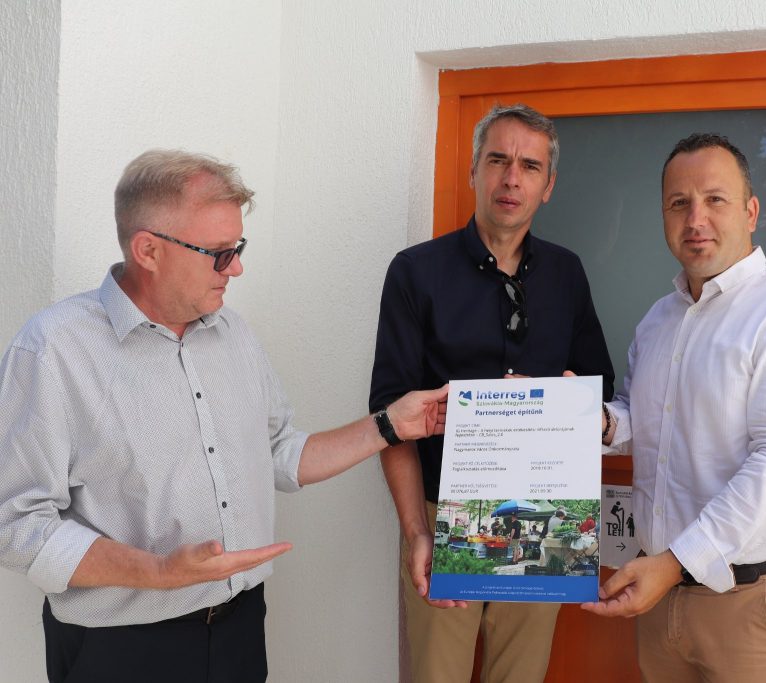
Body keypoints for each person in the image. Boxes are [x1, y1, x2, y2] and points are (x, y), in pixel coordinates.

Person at [0, 149, 448, 683]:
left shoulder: (232, 334)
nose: (236, 268)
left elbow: (278, 452)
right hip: (120, 647)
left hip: (240, 629)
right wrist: (158, 572)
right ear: (148, 250)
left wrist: (389, 424)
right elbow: (14, 523)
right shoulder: (52, 350)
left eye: (238, 248)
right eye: (219, 253)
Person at [582, 133, 766, 682]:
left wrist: (674, 563)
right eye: (678, 203)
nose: (695, 219)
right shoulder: (658, 320)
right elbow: (643, 419)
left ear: (750, 212)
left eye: (715, 199)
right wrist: (601, 423)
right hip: (662, 600)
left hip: (756, 605)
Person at [369, 103, 614, 682]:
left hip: (546, 514)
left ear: (547, 186)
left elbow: (600, 395)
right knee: (438, 674)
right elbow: (388, 418)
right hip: (444, 513)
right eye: (498, 160)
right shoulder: (416, 272)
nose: (512, 178)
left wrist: (559, 404)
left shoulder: (567, 274)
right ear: (473, 171)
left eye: (530, 166)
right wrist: (416, 532)